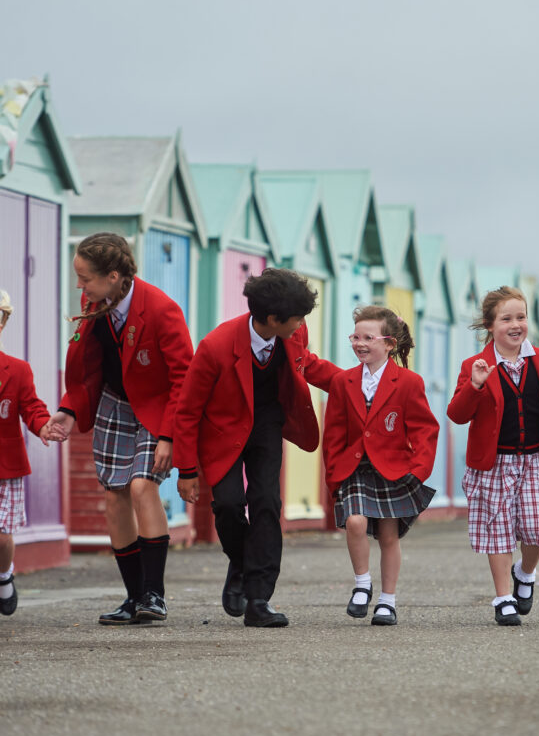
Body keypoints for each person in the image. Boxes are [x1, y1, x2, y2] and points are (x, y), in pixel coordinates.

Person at [175, 268, 339, 627]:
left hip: (267, 424)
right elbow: (187, 410)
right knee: (230, 505)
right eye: (296, 319)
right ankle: (243, 561)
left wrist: (347, 384)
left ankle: (259, 599)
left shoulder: (293, 332)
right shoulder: (216, 346)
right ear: (271, 318)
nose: (301, 325)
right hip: (222, 431)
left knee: (267, 501)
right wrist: (185, 470)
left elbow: (306, 363)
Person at [47, 233, 193, 625]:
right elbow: (89, 367)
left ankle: (155, 595)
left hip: (158, 406)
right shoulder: (94, 303)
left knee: (143, 486)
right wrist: (68, 410)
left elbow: (184, 378)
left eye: (85, 278)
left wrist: (168, 435)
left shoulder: (163, 310)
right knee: (115, 494)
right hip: (114, 401)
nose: (80, 286)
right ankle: (133, 598)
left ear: (113, 276)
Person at [447, 287, 539, 626]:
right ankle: (503, 598)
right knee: (497, 529)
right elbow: (456, 414)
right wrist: (476, 386)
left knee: (538, 528)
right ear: (490, 324)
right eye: (506, 319)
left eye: (521, 317)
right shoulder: (475, 365)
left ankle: (524, 573)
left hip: (533, 460)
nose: (516, 325)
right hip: (493, 463)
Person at [323, 305, 439, 626]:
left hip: (394, 470)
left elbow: (425, 430)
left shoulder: (408, 382)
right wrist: (332, 475)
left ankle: (387, 601)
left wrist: (418, 470)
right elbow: (333, 433)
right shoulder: (342, 382)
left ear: (388, 343)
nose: (360, 343)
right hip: (355, 469)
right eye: (355, 337)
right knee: (356, 522)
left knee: (389, 537)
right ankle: (362, 585)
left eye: (368, 338)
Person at [0, 291, 63, 615]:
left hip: (5, 467)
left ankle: (3, 576)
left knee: (2, 536)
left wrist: (42, 426)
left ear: (3, 322)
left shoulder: (18, 370)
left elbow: (32, 408)